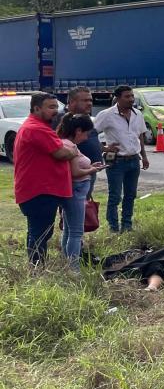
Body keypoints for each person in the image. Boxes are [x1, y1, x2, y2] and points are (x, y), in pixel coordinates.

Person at [13, 92, 77, 264]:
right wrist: (73, 150)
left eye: (56, 106)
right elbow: (62, 153)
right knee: (40, 233)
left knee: (39, 231)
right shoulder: (37, 128)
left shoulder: (34, 126)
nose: (56, 111)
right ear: (36, 108)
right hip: (40, 190)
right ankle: (37, 268)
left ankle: (36, 267)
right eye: (51, 107)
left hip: (38, 189)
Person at [94, 85, 150, 233]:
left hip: (133, 160)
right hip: (116, 161)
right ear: (117, 98)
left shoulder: (138, 114)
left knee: (130, 195)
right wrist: (105, 148)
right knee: (115, 196)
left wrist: (144, 156)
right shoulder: (106, 115)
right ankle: (113, 227)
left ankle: (127, 225)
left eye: (132, 96)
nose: (131, 99)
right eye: (127, 96)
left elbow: (140, 136)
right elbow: (90, 134)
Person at [57, 114, 105, 265]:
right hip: (76, 191)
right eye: (85, 133)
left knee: (68, 230)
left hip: (73, 190)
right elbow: (75, 173)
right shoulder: (69, 146)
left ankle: (67, 262)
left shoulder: (66, 144)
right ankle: (74, 267)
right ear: (78, 131)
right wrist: (91, 171)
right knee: (76, 233)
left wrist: (91, 167)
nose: (86, 137)